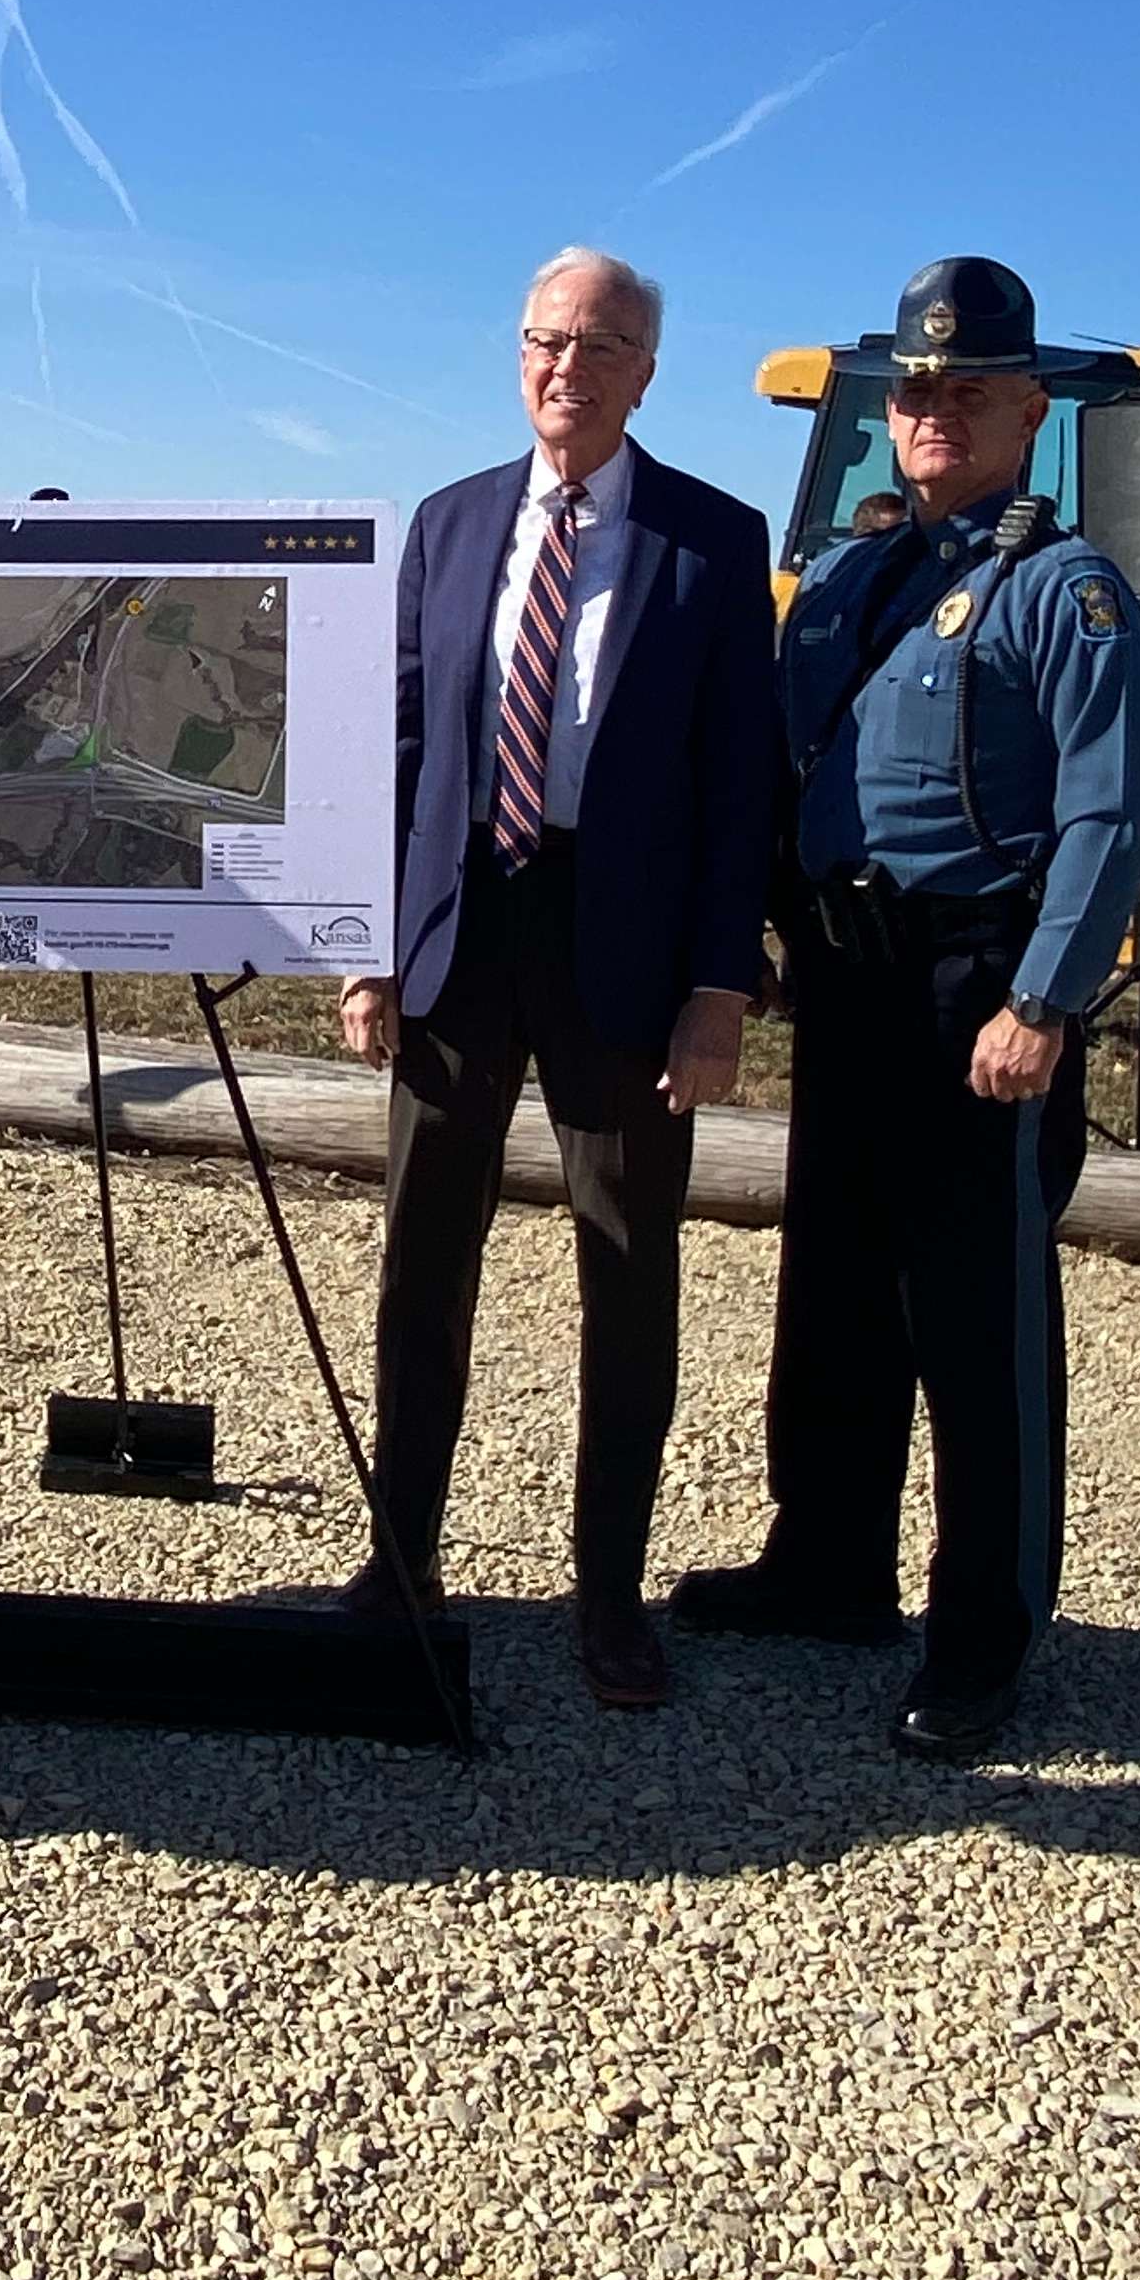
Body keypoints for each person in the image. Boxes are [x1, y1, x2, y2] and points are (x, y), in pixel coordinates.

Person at [673, 257, 1140, 1761]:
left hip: (976, 991)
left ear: (1028, 411)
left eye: (965, 393)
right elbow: (783, 769)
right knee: (832, 1287)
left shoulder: (1063, 590)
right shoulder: (846, 577)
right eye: (914, 392)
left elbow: (1114, 813)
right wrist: (743, 933)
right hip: (845, 978)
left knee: (978, 1319)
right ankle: (827, 1564)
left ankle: (985, 1634)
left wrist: (1046, 998)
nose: (932, 414)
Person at [337, 248, 777, 1708]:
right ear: (514, 353)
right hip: (463, 934)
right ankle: (400, 1561)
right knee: (423, 1261)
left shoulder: (714, 544)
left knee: (627, 1266)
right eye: (542, 341)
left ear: (647, 370)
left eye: (597, 348)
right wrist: (370, 948)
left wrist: (719, 986)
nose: (565, 371)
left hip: (626, 949)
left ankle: (609, 1597)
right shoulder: (451, 525)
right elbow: (404, 752)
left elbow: (739, 791)